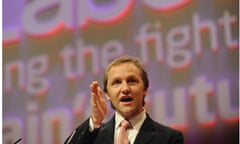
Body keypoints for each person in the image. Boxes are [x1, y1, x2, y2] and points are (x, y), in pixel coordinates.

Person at [64, 55, 184, 144]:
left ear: (145, 89)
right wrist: (94, 122)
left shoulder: (169, 138)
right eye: (117, 83)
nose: (125, 88)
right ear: (107, 94)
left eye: (132, 81)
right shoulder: (93, 136)